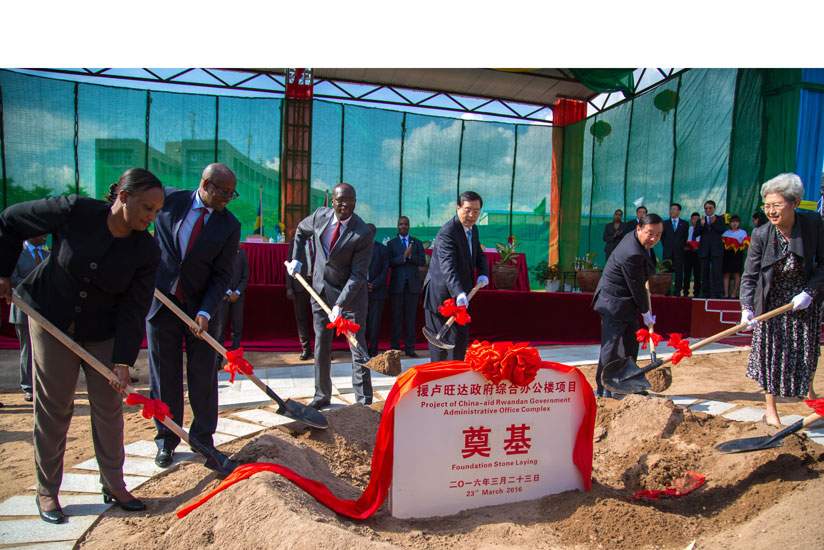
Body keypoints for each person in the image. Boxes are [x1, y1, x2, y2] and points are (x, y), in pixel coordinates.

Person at [0, 168, 164, 523]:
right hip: (50, 318)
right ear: (123, 196)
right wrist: (3, 271)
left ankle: (115, 484)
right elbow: (11, 220)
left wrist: (123, 359)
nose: (150, 217)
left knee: (108, 407)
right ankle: (47, 491)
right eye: (146, 207)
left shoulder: (146, 250)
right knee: (55, 407)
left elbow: (134, 307)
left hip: (102, 331)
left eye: (155, 212)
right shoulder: (74, 211)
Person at [147, 163, 241, 470]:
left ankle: (202, 437)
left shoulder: (229, 225)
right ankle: (166, 439)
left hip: (201, 310)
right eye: (224, 193)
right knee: (165, 374)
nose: (228, 199)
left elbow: (222, 274)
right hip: (162, 304)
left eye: (232, 194)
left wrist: (204, 311)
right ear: (206, 184)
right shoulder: (169, 200)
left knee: (202, 376)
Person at [740, 173, 824, 427]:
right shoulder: (762, 234)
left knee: (806, 354)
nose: (770, 211)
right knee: (771, 354)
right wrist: (746, 307)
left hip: (804, 300)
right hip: (771, 302)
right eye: (766, 205)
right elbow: (750, 274)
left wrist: (810, 292)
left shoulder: (813, 224)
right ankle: (770, 409)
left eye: (776, 204)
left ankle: (809, 396)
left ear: (795, 203)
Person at [286, 183, 373, 409]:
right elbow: (300, 232)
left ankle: (363, 402)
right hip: (320, 292)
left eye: (350, 201)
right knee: (321, 346)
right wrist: (297, 259)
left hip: (350, 298)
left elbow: (358, 275)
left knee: (357, 348)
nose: (345, 205)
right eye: (341, 200)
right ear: (332, 201)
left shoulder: (362, 232)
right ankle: (321, 395)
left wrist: (340, 305)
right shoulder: (319, 216)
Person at [591, 213, 663, 397]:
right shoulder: (632, 252)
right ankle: (604, 386)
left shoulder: (641, 243)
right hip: (613, 302)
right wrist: (646, 312)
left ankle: (627, 382)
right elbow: (637, 286)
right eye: (650, 233)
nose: (654, 238)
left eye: (658, 234)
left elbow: (640, 280)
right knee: (611, 346)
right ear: (638, 229)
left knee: (631, 343)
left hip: (627, 301)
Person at [422, 191, 489, 362]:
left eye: (476, 211)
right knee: (442, 345)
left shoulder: (473, 230)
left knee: (459, 339)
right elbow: (447, 267)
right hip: (441, 295)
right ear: (458, 208)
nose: (471, 215)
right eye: (467, 210)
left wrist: (483, 273)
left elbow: (479, 255)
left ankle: (456, 379)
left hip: (462, 294)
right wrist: (458, 292)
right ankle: (440, 382)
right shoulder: (448, 232)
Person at [8, 235, 49, 402]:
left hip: (46, 311)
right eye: (41, 233)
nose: (45, 236)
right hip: (23, 309)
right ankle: (29, 387)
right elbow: (11, 280)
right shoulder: (16, 254)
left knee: (46, 351)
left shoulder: (48, 255)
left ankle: (45, 385)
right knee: (28, 350)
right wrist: (36, 282)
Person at [387, 215, 426, 357]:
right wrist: (403, 257)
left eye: (405, 224)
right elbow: (389, 262)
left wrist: (410, 256)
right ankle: (395, 348)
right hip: (397, 287)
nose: (403, 226)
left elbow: (422, 261)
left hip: (412, 287)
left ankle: (410, 348)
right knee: (396, 318)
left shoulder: (417, 243)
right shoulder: (392, 244)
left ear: (409, 226)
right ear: (398, 226)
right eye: (401, 224)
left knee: (410, 319)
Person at [285, 238, 314, 361]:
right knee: (301, 318)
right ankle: (306, 348)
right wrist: (289, 287)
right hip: (299, 285)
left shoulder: (319, 240)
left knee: (320, 318)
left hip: (317, 284)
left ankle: (324, 349)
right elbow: (290, 265)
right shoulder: (296, 242)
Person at [216, 246, 249, 350]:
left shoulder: (241, 254)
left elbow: (245, 277)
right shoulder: (220, 253)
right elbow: (217, 275)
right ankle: (218, 358)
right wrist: (229, 292)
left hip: (238, 297)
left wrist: (237, 292)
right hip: (223, 296)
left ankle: (235, 356)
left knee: (237, 328)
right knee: (220, 329)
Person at [365, 223, 389, 358]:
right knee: (362, 324)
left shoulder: (382, 249)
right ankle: (362, 350)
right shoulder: (358, 248)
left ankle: (373, 350)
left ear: (373, 233)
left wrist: (373, 284)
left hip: (377, 292)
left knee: (374, 324)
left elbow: (385, 271)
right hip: (361, 293)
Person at [695, 200, 726, 298]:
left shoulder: (719, 219)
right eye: (706, 208)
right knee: (704, 273)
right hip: (704, 250)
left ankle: (718, 293)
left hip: (716, 250)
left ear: (714, 208)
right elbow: (696, 233)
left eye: (710, 208)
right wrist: (703, 225)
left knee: (717, 272)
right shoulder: (701, 220)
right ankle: (706, 293)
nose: (708, 210)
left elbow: (721, 230)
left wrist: (713, 224)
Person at [661, 203, 688, 296]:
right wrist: (668, 247)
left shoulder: (684, 224)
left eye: (674, 209)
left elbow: (685, 237)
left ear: (679, 211)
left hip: (679, 252)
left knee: (679, 273)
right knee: (666, 273)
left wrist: (678, 247)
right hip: (667, 252)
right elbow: (662, 238)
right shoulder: (665, 223)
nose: (672, 211)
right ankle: (666, 291)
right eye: (671, 209)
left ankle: (677, 292)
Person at [722, 215, 747, 298]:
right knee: (726, 274)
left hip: (738, 254)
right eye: (732, 222)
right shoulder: (726, 233)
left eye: (736, 222)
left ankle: (734, 293)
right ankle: (726, 293)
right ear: (729, 223)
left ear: (739, 223)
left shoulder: (743, 232)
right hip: (727, 254)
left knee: (737, 274)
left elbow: (745, 244)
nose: (734, 224)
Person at [682, 212, 702, 297]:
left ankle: (696, 293)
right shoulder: (687, 229)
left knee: (697, 274)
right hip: (688, 253)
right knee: (687, 273)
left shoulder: (702, 230)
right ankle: (685, 292)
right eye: (694, 219)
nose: (696, 221)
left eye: (698, 219)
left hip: (698, 253)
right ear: (691, 220)